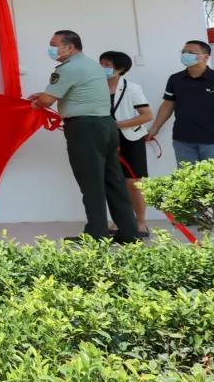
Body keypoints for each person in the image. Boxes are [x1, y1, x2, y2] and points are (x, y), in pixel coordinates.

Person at [29, 30, 140, 243]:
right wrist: (44, 96)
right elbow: (76, 92)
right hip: (105, 125)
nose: (51, 49)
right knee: (114, 181)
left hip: (85, 129)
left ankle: (96, 234)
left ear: (70, 47)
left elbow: (47, 101)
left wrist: (37, 102)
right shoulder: (91, 65)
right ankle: (129, 232)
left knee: (91, 182)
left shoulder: (68, 68)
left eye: (54, 44)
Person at [146, 40, 214, 164]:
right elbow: (168, 104)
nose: (185, 55)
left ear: (206, 57)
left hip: (213, 140)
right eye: (183, 52)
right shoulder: (175, 79)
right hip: (182, 140)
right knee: (187, 175)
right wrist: (155, 127)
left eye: (191, 53)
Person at [99, 51, 153, 238]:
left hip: (130, 139)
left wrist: (118, 124)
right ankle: (119, 220)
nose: (103, 68)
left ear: (120, 68)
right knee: (114, 181)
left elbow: (146, 115)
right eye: (101, 64)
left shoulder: (132, 88)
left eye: (107, 65)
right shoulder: (95, 87)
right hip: (105, 139)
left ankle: (141, 222)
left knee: (133, 182)